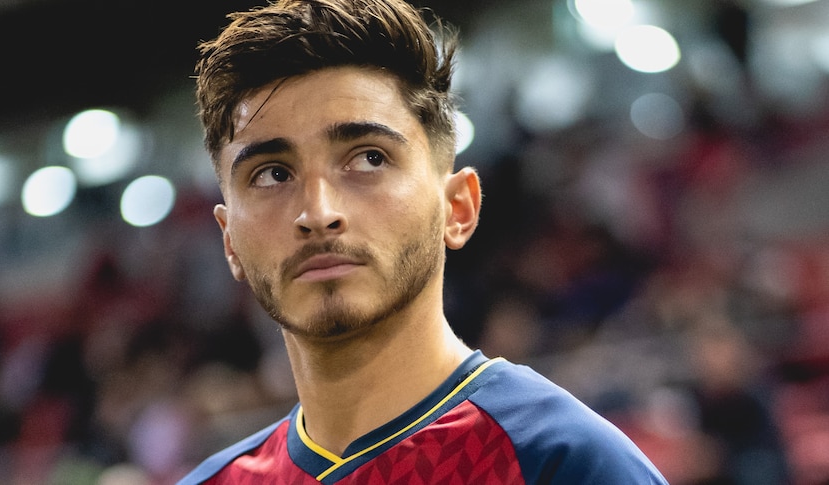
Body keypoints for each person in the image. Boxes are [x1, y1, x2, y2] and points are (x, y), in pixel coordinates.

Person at [178, 0, 669, 483]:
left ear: (458, 208)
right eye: (271, 174)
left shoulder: (568, 464)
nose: (318, 213)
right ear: (230, 242)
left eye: (369, 158)